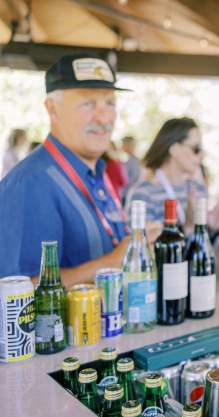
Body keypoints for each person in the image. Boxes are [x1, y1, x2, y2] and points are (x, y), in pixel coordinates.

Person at [0, 53, 130, 286]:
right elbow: (16, 292)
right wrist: (113, 262)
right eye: (88, 104)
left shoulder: (98, 173)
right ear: (52, 110)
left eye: (110, 103)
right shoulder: (31, 184)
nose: (104, 118)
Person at [125, 117, 206, 228]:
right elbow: (139, 242)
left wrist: (215, 228)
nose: (201, 155)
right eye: (196, 149)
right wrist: (187, 226)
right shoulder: (144, 194)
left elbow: (203, 242)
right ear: (174, 149)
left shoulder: (198, 190)